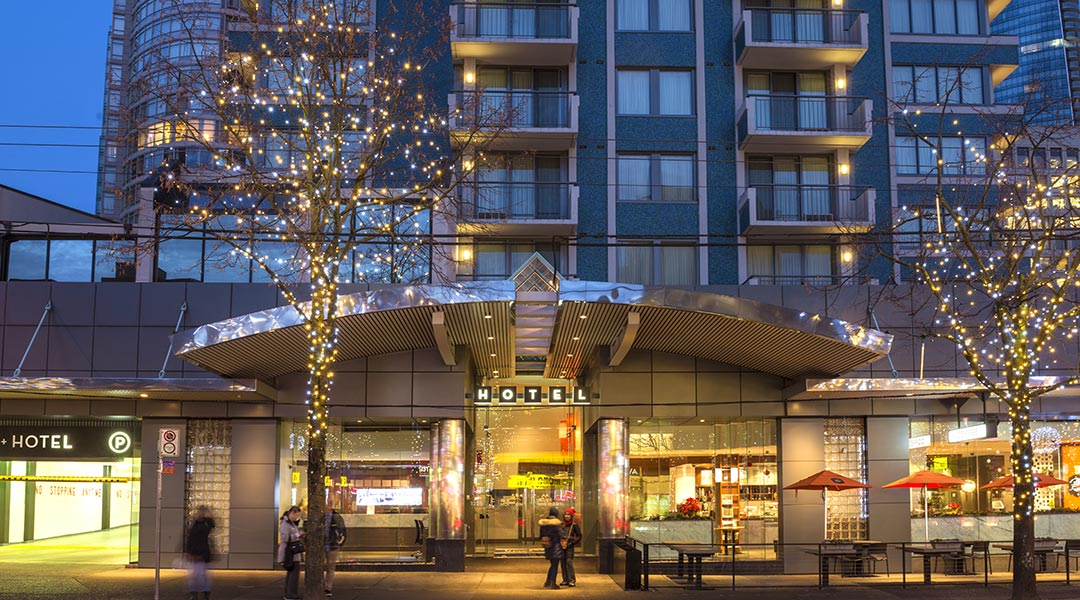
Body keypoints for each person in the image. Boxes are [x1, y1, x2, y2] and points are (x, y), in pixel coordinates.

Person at [184, 505, 214, 600]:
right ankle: (195, 593)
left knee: (200, 574)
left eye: (201, 512)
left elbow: (211, 525)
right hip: (194, 553)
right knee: (195, 574)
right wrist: (189, 552)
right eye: (198, 512)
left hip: (201, 553)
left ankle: (204, 592)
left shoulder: (205, 524)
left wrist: (208, 515)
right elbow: (190, 538)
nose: (198, 513)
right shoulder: (194, 524)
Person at [278, 506, 305, 600]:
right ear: (292, 513)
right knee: (293, 575)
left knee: (292, 574)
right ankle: (291, 595)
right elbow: (285, 538)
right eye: (296, 515)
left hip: (292, 552)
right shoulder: (285, 524)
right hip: (290, 552)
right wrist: (298, 534)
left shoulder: (290, 523)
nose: (297, 518)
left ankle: (289, 594)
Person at [538, 506, 564, 589]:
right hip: (556, 546)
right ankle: (552, 583)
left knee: (552, 564)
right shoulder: (556, 524)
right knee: (555, 565)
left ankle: (548, 582)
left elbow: (540, 535)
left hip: (547, 546)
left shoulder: (543, 524)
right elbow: (562, 534)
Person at [324, 508, 347, 597]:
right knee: (324, 567)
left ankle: (327, 588)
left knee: (330, 567)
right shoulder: (321, 516)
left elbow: (343, 531)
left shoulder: (336, 517)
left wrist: (339, 542)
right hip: (323, 544)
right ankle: (323, 586)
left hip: (332, 545)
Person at [559, 507, 582, 587]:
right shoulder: (562, 524)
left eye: (568, 514)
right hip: (562, 546)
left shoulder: (574, 525)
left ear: (571, 516)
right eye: (565, 514)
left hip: (570, 546)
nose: (566, 516)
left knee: (569, 562)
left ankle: (571, 580)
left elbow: (579, 536)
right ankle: (565, 580)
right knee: (562, 563)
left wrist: (572, 543)